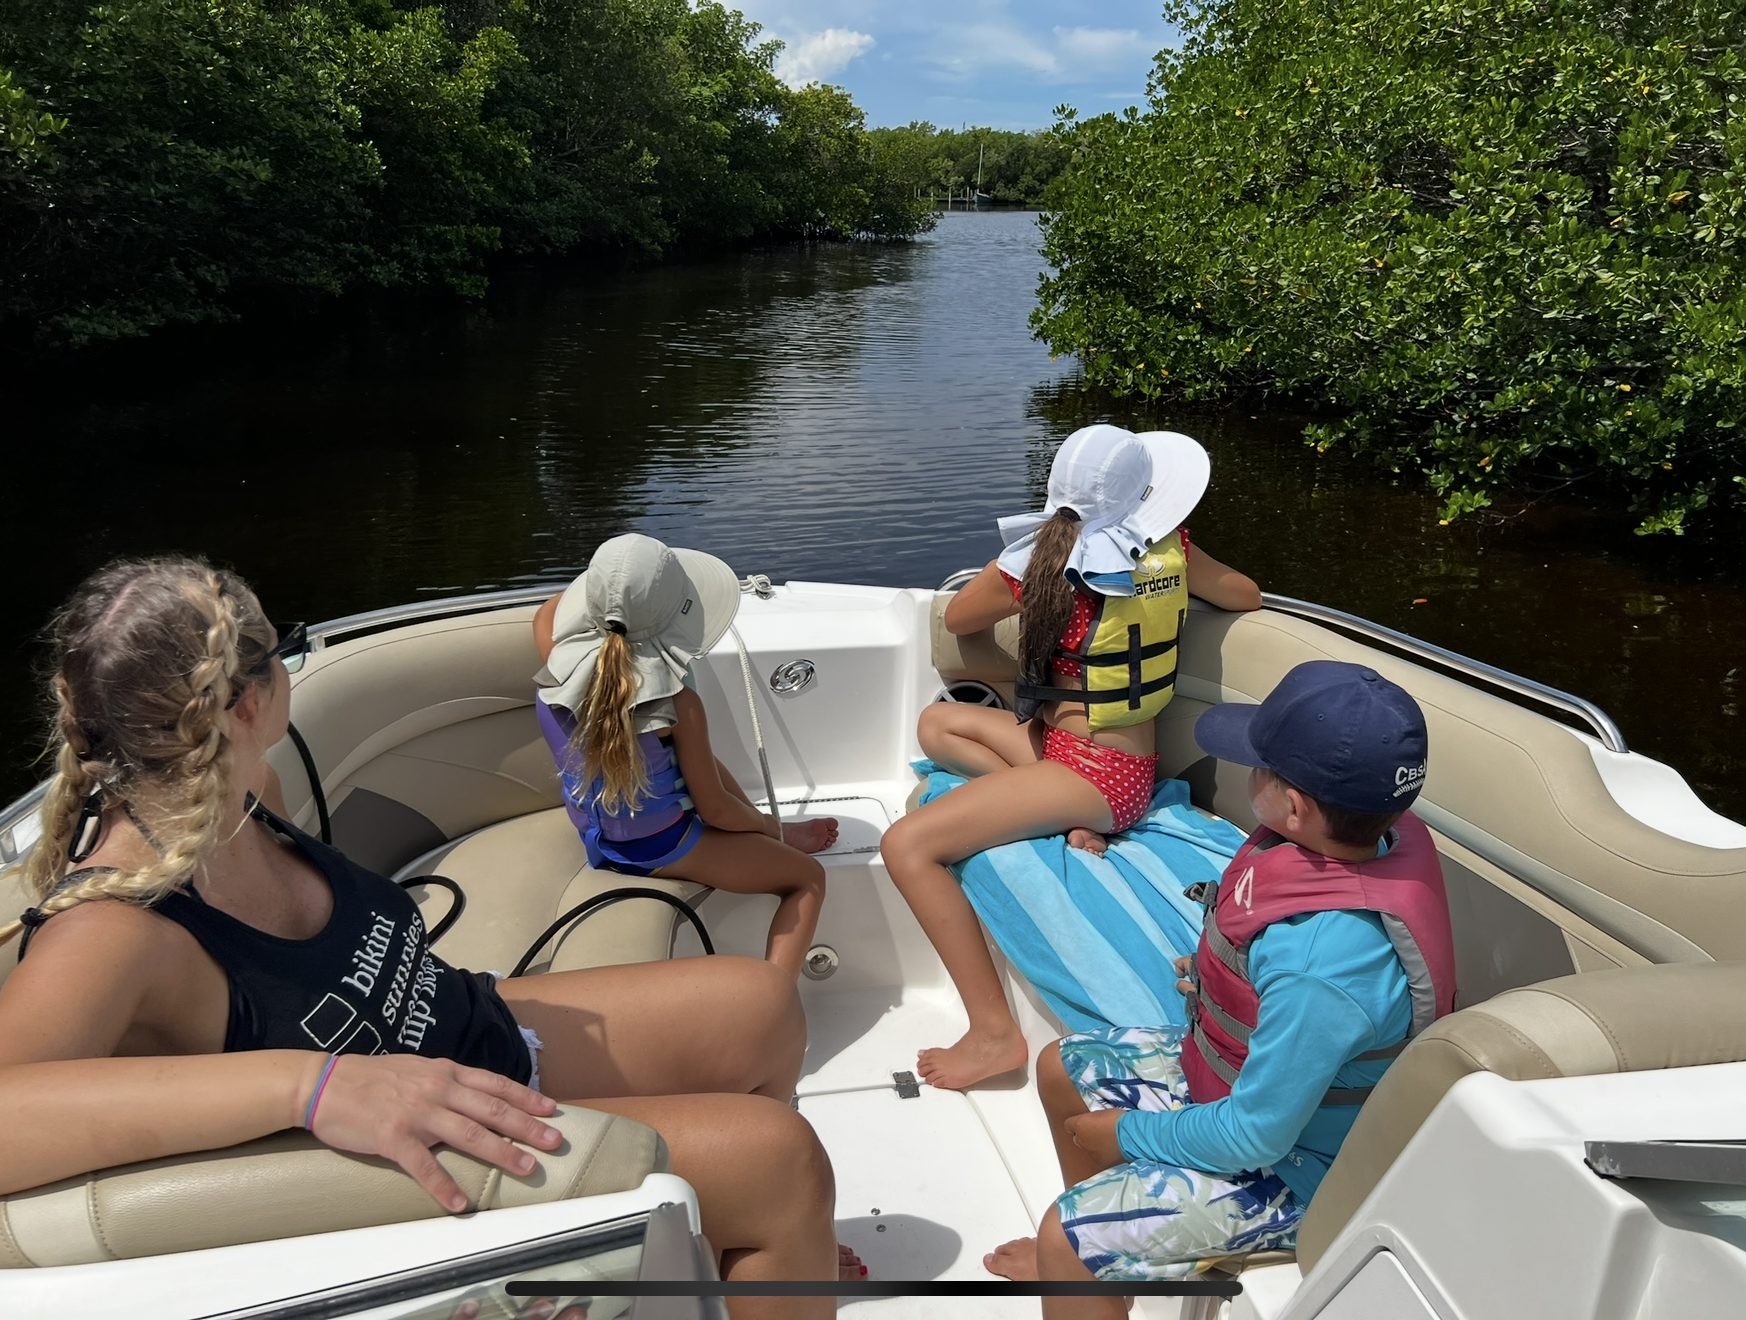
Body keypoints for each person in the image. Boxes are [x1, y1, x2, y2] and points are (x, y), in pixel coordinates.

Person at [0, 556, 861, 1316]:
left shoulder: (248, 788)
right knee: (781, 1162)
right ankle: (770, 1226)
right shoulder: (114, 929)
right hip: (429, 1140)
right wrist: (307, 1087)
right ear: (253, 699)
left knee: (760, 1004)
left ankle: (755, 1258)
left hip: (473, 1034)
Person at [982, 661, 1457, 1311]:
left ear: (1293, 807)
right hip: (1248, 1089)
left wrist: (1121, 1136)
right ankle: (1103, 1269)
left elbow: (1256, 1136)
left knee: (1063, 1236)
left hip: (1304, 1169)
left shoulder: (1322, 967)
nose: (1248, 773)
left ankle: (1078, 1259)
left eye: (1259, 766)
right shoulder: (1375, 833)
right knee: (1058, 1068)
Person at [881, 425, 1261, 1089]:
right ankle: (1054, 814)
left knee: (907, 847)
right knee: (939, 725)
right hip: (1075, 755)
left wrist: (1019, 567)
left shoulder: (1037, 563)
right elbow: (1244, 596)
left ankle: (994, 1034)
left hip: (1098, 779)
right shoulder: (1172, 550)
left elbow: (958, 618)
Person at [530, 534, 837, 980]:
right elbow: (714, 809)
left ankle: (772, 835)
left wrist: (607, 593)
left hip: (598, 835)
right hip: (658, 848)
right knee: (809, 879)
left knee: (692, 761)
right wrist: (769, 828)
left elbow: (550, 610)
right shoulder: (680, 704)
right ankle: (774, 1001)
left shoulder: (552, 654)